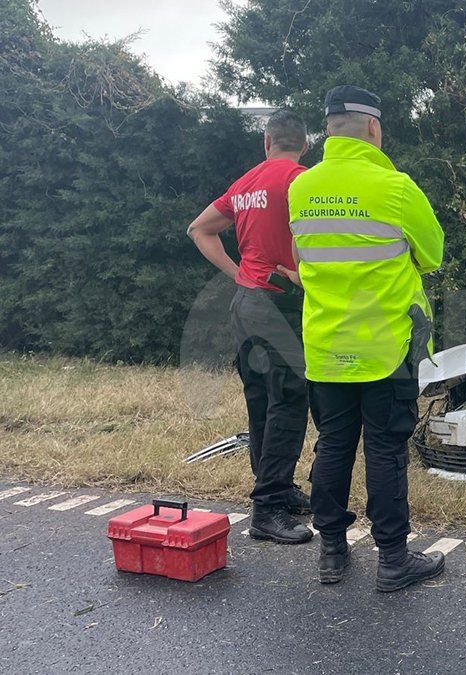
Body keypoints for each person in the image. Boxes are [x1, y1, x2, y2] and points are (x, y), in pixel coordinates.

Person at [284, 85, 446, 591]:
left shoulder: (301, 188)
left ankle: (331, 552)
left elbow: (300, 260)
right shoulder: (394, 187)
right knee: (384, 450)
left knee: (332, 446)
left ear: (327, 130)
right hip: (387, 347)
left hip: (325, 346)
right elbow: (433, 254)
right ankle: (393, 560)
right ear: (373, 128)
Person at [186, 109, 314, 545]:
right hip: (280, 301)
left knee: (261, 397)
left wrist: (237, 271)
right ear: (306, 145)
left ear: (266, 141)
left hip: (246, 301)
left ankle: (274, 488)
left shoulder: (245, 184)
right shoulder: (301, 181)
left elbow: (199, 230)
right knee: (290, 400)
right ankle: (269, 508)